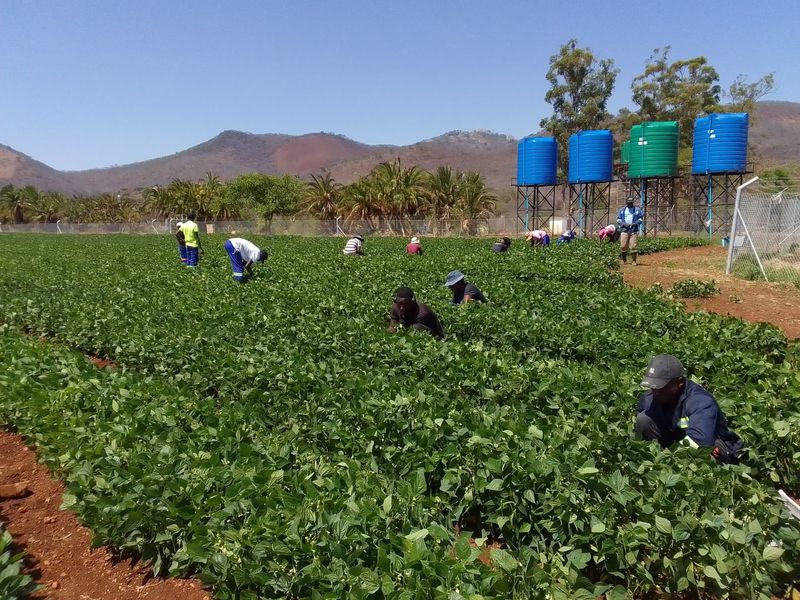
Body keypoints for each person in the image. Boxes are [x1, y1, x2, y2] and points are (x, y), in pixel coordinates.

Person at [635, 354, 744, 464]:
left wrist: (668, 460)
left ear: (680, 382)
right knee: (644, 419)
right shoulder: (649, 399)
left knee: (709, 449)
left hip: (711, 446)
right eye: (653, 386)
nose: (656, 392)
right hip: (676, 442)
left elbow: (701, 441)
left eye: (662, 387)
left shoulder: (701, 401)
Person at [616, 197, 644, 265]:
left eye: (631, 202)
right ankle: (624, 260)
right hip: (624, 230)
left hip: (633, 230)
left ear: (632, 202)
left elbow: (640, 219)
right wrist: (624, 224)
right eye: (628, 202)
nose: (630, 203)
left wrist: (635, 223)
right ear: (626, 202)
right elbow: (618, 219)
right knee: (623, 246)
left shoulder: (637, 210)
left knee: (633, 246)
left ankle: (634, 261)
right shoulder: (622, 210)